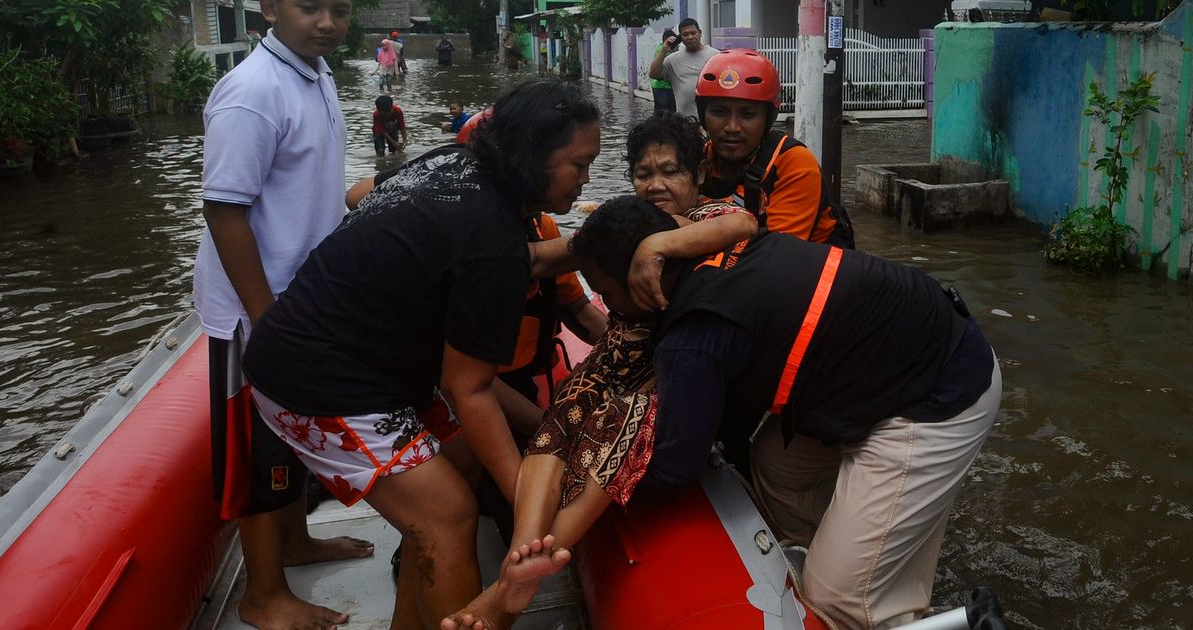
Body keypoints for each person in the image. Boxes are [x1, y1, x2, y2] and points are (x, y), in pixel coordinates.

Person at [240, 77, 601, 629]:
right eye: (579, 165)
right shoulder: (494, 241)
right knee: (447, 516)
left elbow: (359, 194)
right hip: (316, 380)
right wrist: (532, 510)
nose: (586, 179)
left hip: (344, 356)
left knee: (455, 469)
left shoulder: (450, 163)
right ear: (533, 159)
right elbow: (470, 389)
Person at [567, 199, 1003, 630]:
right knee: (777, 465)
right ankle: (838, 550)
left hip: (936, 391)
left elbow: (677, 464)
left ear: (645, 274)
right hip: (886, 361)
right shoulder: (714, 247)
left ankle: (874, 603)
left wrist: (597, 468)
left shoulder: (694, 335)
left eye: (605, 293)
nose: (609, 306)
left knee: (839, 599)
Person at [443, 111, 760, 630]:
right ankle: (524, 552)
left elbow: (745, 222)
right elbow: (552, 260)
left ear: (698, 176)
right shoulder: (623, 220)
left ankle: (504, 593)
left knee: (618, 434)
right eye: (643, 172)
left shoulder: (712, 218)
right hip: (617, 351)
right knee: (563, 414)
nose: (655, 184)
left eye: (671, 171)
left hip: (669, 371)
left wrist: (658, 245)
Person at [192, 1, 371, 629]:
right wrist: (264, 316)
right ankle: (263, 593)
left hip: (300, 300)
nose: (326, 22)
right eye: (309, 6)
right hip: (253, 312)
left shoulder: (313, 73)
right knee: (255, 445)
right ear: (270, 6)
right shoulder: (252, 92)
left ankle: (296, 542)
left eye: (340, 10)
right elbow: (224, 210)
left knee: (287, 432)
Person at [696, 48, 855, 248]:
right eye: (719, 113)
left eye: (747, 115)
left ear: (767, 120)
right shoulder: (696, 159)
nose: (732, 127)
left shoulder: (794, 163)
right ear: (703, 117)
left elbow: (777, 255)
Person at [648, 18, 718, 119]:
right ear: (680, 37)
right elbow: (653, 74)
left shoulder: (715, 56)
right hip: (685, 122)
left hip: (710, 120)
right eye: (685, 34)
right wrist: (664, 50)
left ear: (700, 33)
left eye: (693, 33)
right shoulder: (673, 59)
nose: (690, 37)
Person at [650, 29, 678, 113]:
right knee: (666, 111)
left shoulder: (660, 47)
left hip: (659, 85)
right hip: (663, 85)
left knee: (661, 110)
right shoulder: (663, 49)